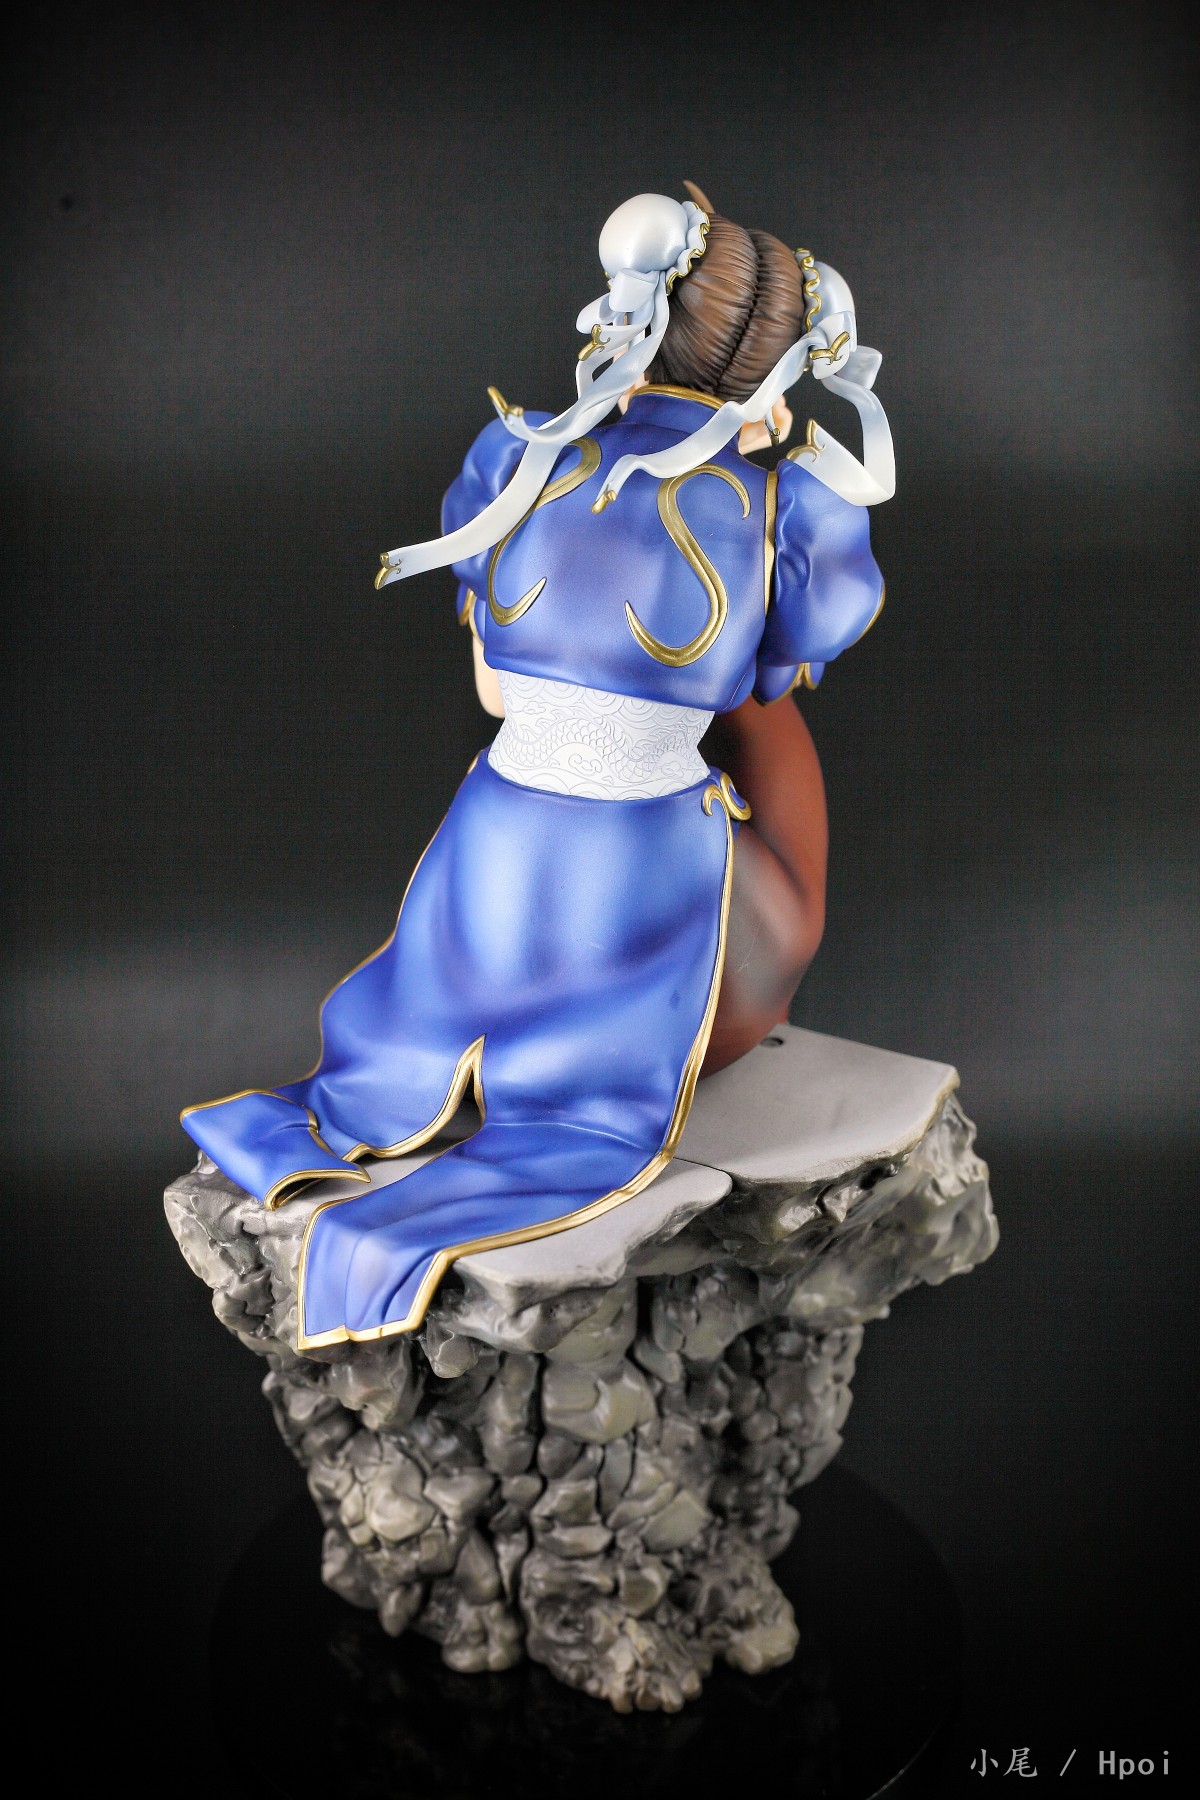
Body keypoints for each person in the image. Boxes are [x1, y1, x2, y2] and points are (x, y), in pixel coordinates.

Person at [181, 185, 893, 1350]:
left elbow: (496, 694)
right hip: (642, 868)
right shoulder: (786, 506)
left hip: (490, 851)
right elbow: (768, 689)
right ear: (777, 369)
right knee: (659, 1035)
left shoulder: (516, 455)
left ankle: (386, 1105)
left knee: (424, 1035)